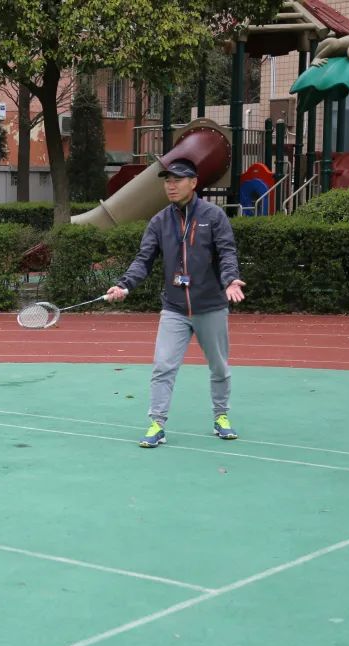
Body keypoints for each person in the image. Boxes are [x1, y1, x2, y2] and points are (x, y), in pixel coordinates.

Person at [104, 158, 246, 448]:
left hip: (211, 306)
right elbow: (143, 260)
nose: (170, 185)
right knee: (163, 367)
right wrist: (124, 285)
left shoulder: (214, 216)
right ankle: (157, 423)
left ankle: (221, 416)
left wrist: (231, 279)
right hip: (174, 308)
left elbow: (227, 252)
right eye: (167, 180)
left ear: (193, 183)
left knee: (219, 367)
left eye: (177, 180)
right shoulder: (159, 221)